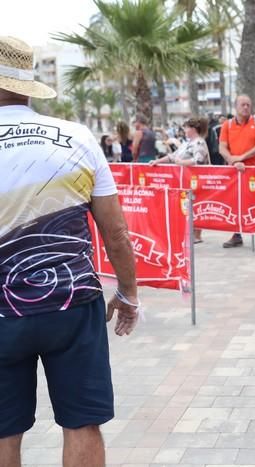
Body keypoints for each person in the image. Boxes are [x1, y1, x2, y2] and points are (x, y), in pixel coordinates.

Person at [0, 36, 139, 467]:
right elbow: (116, 233)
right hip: (73, 303)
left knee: (3, 429)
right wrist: (129, 294)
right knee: (82, 422)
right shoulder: (76, 136)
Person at [219, 94, 255, 249]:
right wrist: (233, 160)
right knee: (234, 203)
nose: (246, 107)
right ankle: (236, 234)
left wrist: (241, 157)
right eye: (243, 105)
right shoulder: (227, 125)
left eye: (248, 105)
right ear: (236, 107)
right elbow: (222, 147)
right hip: (235, 172)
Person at [150, 117, 210, 243]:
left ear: (193, 129)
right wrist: (157, 161)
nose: (185, 130)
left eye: (187, 128)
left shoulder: (199, 142)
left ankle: (197, 235)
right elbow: (173, 156)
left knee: (196, 205)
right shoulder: (187, 143)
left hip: (196, 180)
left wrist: (181, 163)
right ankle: (190, 233)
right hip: (185, 180)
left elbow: (198, 160)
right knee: (189, 205)